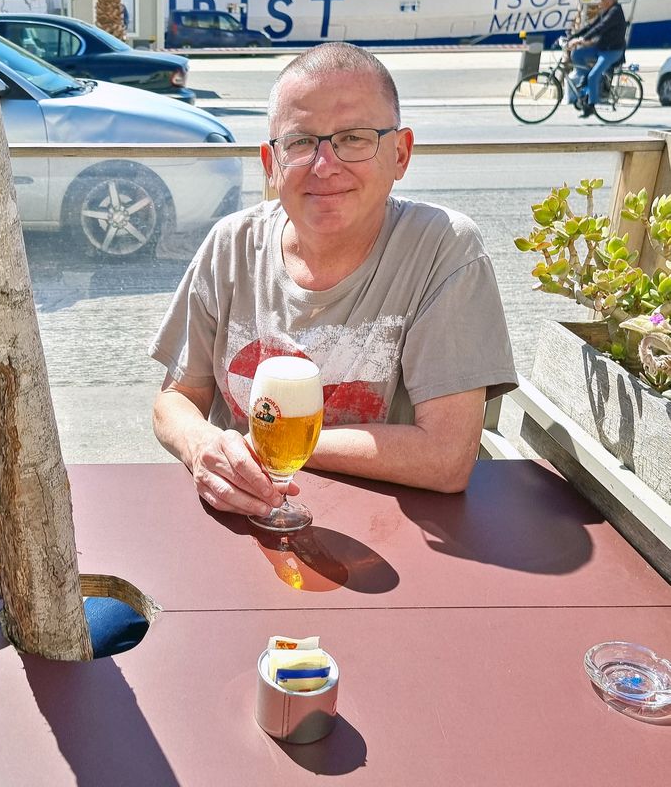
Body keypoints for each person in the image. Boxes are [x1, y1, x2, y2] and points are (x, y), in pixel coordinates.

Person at [149, 43, 517, 518]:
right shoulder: (232, 244)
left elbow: (446, 458)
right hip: (245, 522)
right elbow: (175, 399)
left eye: (355, 138)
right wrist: (202, 447)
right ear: (270, 162)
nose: (325, 165)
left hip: (391, 535)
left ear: (401, 153)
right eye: (301, 142)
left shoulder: (443, 248)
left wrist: (278, 445)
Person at [567, 0, 627, 118]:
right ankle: (584, 77)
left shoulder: (615, 12)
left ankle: (591, 106)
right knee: (576, 54)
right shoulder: (605, 11)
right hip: (601, 48)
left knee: (593, 76)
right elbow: (591, 26)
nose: (600, 1)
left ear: (610, 1)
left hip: (612, 52)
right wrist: (573, 36)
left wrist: (583, 39)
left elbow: (601, 27)